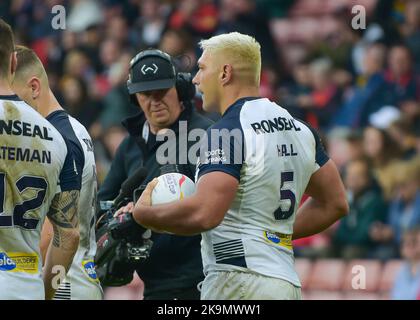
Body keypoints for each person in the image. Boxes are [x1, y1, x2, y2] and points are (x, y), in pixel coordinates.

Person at [132, 32, 349, 300]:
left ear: (225, 73)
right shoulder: (300, 128)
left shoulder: (226, 132)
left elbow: (205, 214)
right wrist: (273, 236)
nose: (196, 79)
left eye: (201, 68)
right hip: (286, 283)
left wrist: (143, 215)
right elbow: (335, 204)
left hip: (238, 283)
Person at [97, 48, 213, 300]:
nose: (155, 101)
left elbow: (214, 207)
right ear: (134, 98)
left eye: (162, 91)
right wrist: (119, 215)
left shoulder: (208, 137)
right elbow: (101, 207)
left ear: (180, 90)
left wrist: (141, 213)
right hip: (155, 286)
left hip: (205, 284)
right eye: (145, 94)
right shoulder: (129, 147)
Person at [11, 45, 103, 300]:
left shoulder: (54, 140)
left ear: (34, 87)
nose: (10, 109)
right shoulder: (74, 128)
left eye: (13, 98)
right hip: (78, 276)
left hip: (62, 285)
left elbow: (54, 233)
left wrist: (43, 293)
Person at [0, 18, 79, 300]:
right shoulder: (55, 136)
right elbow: (68, 236)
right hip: (26, 287)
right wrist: (45, 293)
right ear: (12, 63)